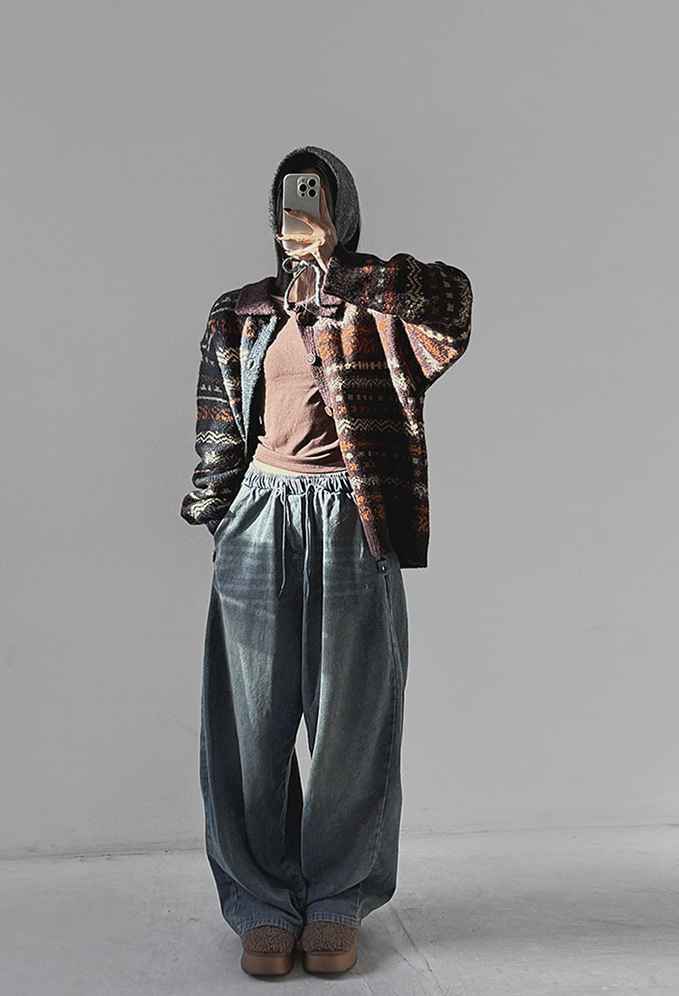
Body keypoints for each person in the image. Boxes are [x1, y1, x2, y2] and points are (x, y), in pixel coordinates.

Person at [180, 146, 473, 976]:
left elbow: (454, 305)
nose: (295, 212)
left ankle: (337, 898)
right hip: (258, 516)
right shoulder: (239, 312)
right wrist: (219, 514)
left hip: (352, 516)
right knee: (248, 721)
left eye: (312, 197)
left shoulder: (378, 307)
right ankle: (262, 903)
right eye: (286, 199)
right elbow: (217, 423)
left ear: (340, 210)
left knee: (351, 717)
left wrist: (339, 272)